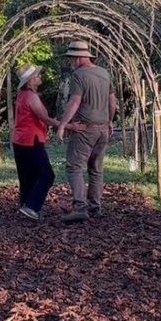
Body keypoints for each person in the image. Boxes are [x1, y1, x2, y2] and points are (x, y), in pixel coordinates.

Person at [56, 41, 117, 223]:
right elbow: (112, 102)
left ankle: (80, 207)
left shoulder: (79, 75)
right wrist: (109, 121)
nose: (71, 61)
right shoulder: (104, 73)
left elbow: (75, 101)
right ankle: (95, 207)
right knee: (96, 169)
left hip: (85, 129)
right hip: (103, 129)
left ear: (81, 57)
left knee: (74, 167)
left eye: (73, 58)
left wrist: (62, 125)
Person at [12, 64, 60, 220]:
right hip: (31, 140)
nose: (40, 77)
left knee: (28, 175)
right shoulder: (32, 97)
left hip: (19, 140)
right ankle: (32, 207)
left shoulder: (21, 95)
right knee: (47, 175)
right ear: (31, 80)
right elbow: (44, 118)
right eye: (37, 75)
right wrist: (67, 125)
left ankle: (25, 205)